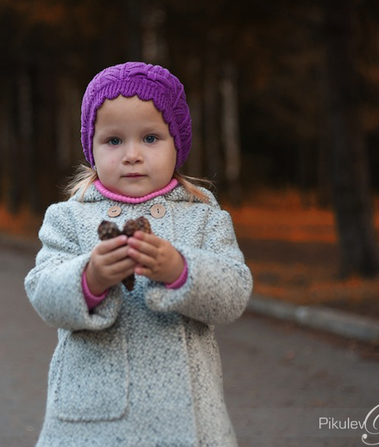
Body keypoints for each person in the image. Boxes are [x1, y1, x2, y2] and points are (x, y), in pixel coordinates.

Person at [25, 61, 253, 446]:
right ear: (91, 147)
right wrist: (90, 278)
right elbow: (43, 294)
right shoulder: (69, 218)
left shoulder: (203, 217)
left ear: (177, 144)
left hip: (188, 423)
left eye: (150, 138)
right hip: (92, 422)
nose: (132, 155)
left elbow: (234, 294)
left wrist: (182, 270)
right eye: (114, 141)